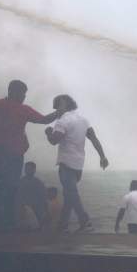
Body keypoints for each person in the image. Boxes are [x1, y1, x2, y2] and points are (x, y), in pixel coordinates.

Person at [0, 80, 58, 229]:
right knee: (11, 188)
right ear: (14, 92)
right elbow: (44, 120)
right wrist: (60, 112)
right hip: (13, 155)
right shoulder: (22, 109)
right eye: (23, 93)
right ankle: (8, 222)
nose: (24, 96)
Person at [46, 93, 108, 233]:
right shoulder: (84, 120)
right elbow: (94, 139)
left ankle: (84, 221)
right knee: (69, 195)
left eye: (58, 106)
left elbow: (54, 140)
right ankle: (62, 225)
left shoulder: (62, 122)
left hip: (66, 163)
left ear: (66, 105)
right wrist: (102, 156)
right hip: (79, 164)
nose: (56, 110)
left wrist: (48, 133)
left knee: (71, 193)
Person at [17, 161, 48, 230]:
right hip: (24, 208)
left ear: (34, 170)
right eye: (26, 169)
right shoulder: (21, 182)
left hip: (36, 209)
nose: (28, 171)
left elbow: (44, 199)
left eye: (30, 169)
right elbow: (18, 198)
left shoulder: (39, 183)